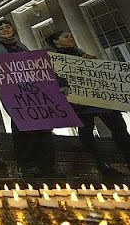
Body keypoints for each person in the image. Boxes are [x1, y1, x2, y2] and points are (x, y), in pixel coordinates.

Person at [46, 30, 130, 178]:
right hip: (79, 102)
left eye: (71, 36)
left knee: (119, 128)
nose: (70, 38)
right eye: (66, 37)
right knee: (87, 131)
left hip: (101, 98)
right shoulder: (53, 59)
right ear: (56, 42)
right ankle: (101, 164)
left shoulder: (81, 54)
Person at [0, 19, 58, 177]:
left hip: (34, 91)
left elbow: (38, 66)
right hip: (13, 93)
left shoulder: (22, 47)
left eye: (8, 27)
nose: (5, 30)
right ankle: (27, 164)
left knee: (44, 127)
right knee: (23, 127)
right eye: (1, 29)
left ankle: (48, 165)